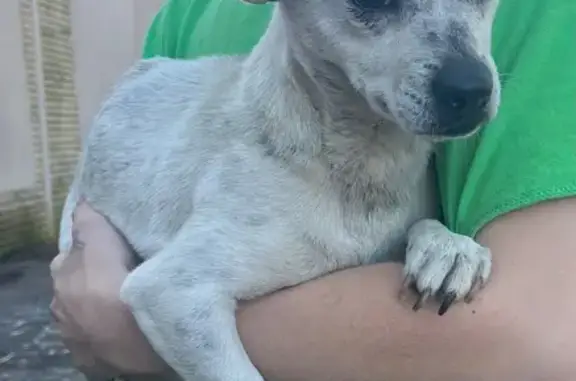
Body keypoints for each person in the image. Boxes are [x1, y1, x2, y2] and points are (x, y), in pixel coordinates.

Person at [50, 0, 576, 380]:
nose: (467, 73)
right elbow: (166, 292)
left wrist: (431, 234)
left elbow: (541, 339)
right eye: (377, 3)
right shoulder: (251, 161)